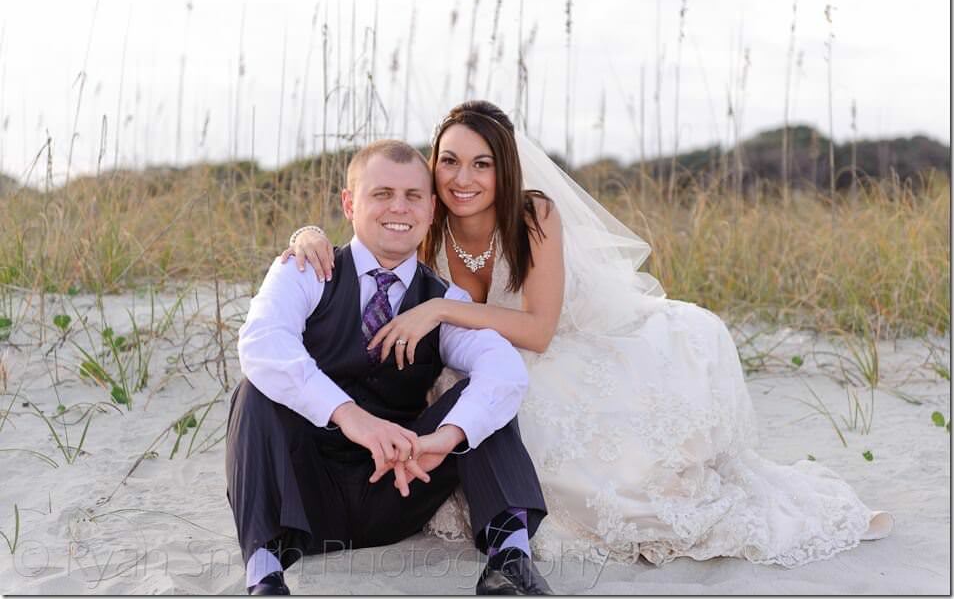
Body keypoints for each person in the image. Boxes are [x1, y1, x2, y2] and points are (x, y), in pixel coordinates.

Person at [283, 101, 893, 569]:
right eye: (448, 161)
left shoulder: (533, 214)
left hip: (563, 339)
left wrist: (441, 312)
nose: (461, 177)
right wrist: (307, 233)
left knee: (548, 412)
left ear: (504, 168)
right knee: (461, 395)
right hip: (481, 353)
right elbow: (370, 227)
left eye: (481, 163)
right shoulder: (425, 213)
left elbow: (541, 331)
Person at [226, 139, 552, 595]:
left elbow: (505, 369)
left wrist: (445, 438)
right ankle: (264, 578)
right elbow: (262, 343)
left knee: (486, 399)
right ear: (349, 203)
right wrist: (351, 417)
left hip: (397, 489)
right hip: (304, 500)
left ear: (432, 209)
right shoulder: (304, 270)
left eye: (413, 196)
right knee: (255, 389)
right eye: (382, 194)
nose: (398, 207)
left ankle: (509, 563)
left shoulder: (445, 301)